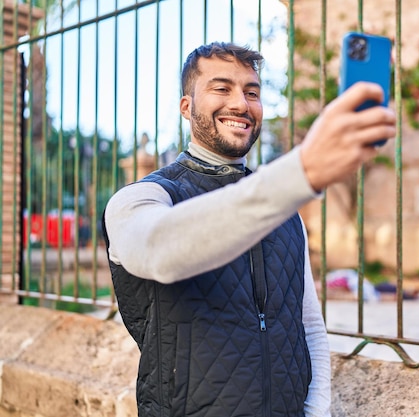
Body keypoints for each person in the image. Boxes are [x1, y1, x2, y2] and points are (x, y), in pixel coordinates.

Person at [102, 42, 396, 417]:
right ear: (186, 107)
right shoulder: (144, 197)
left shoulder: (288, 215)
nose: (241, 104)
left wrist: (316, 410)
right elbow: (159, 251)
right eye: (221, 89)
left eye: (251, 92)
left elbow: (309, 327)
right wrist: (302, 170)